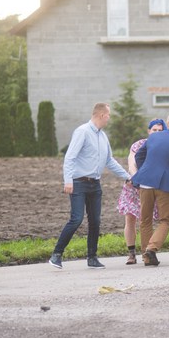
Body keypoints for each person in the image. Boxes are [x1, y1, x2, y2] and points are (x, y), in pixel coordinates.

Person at [49, 102, 131, 269]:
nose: (109, 118)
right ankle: (56, 255)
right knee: (76, 219)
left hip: (95, 184)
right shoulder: (82, 132)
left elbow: (109, 160)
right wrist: (68, 180)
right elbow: (70, 157)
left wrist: (127, 177)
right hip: (78, 183)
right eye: (108, 115)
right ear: (101, 115)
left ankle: (92, 258)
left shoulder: (103, 136)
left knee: (95, 221)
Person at [132, 115, 169, 266]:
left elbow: (139, 155)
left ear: (167, 124)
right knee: (165, 220)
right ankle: (151, 249)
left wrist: (145, 170)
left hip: (145, 182)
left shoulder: (153, 137)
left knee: (145, 220)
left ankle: (147, 258)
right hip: (164, 185)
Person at [117, 118, 166, 264]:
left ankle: (148, 251)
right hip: (134, 185)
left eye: (160, 130)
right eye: (154, 130)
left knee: (146, 219)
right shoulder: (138, 145)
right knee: (130, 218)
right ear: (149, 131)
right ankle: (131, 253)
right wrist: (135, 178)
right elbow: (132, 163)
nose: (157, 132)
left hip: (152, 186)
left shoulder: (164, 146)